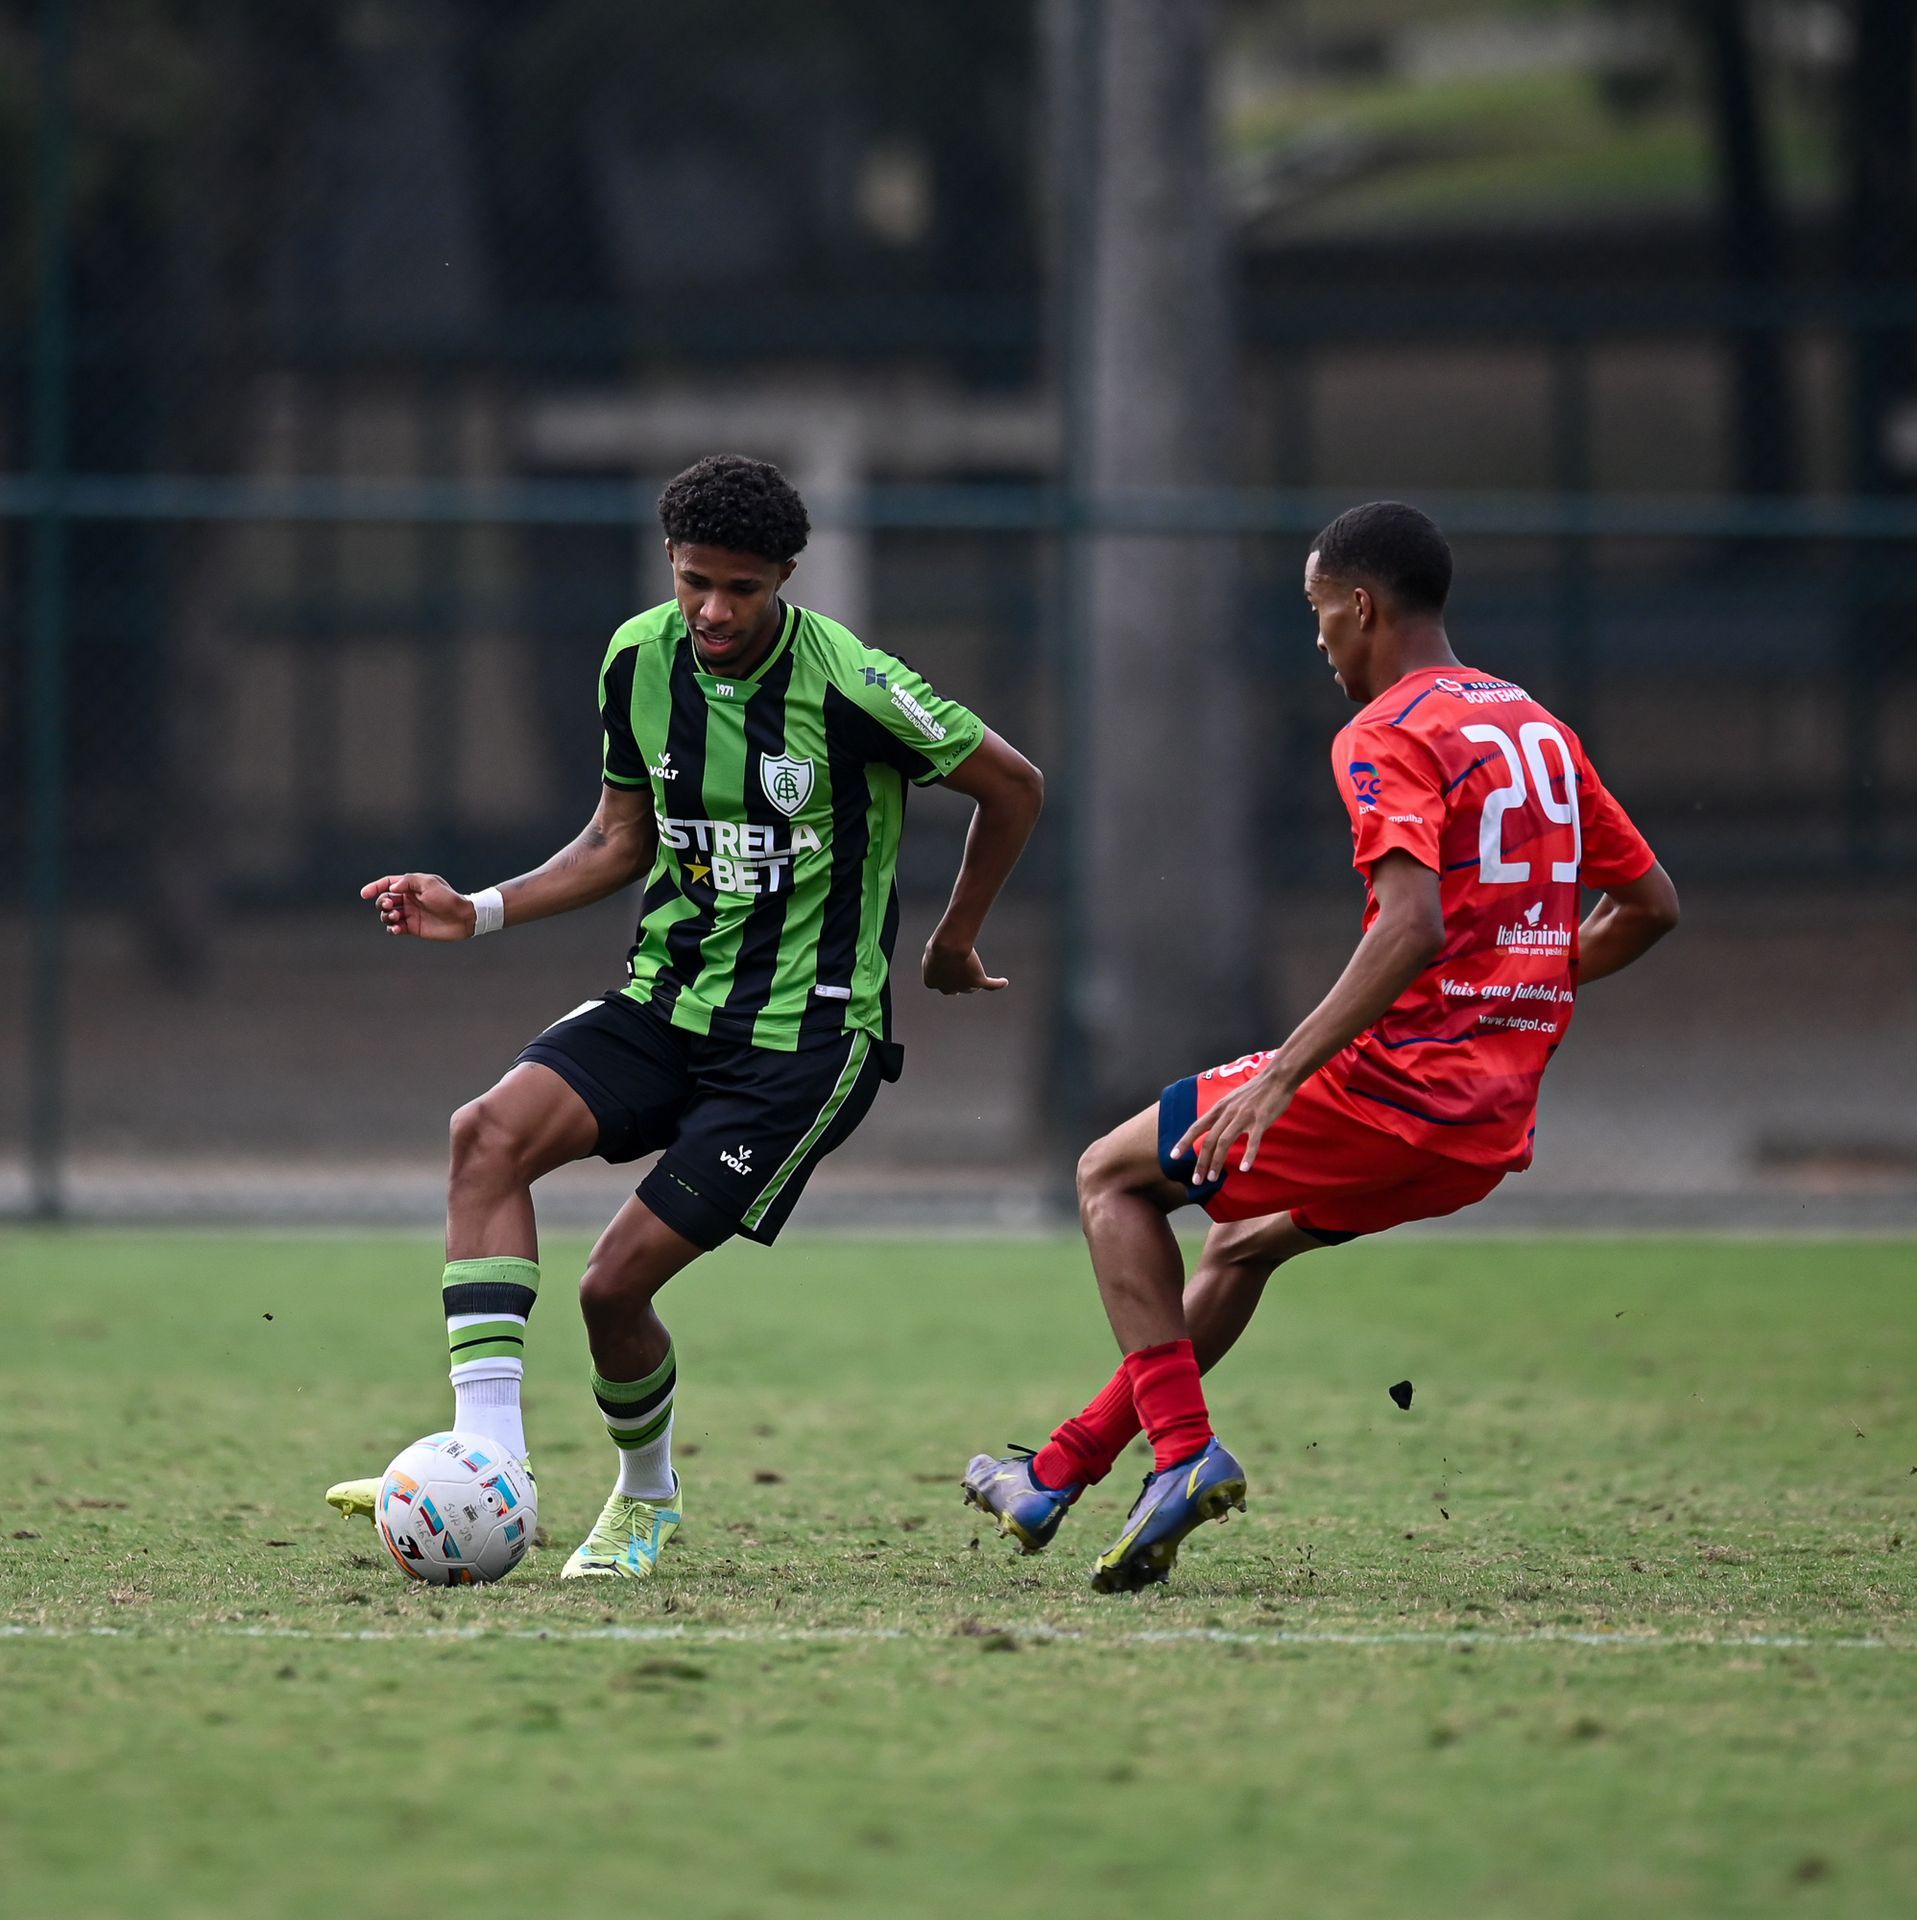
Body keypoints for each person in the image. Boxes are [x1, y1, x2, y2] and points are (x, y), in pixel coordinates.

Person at [327, 453, 1043, 1578]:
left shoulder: (852, 684)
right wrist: (479, 909)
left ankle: (646, 1497)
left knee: (611, 1288)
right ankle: (488, 1462)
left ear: (786, 579)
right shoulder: (636, 659)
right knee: (485, 1137)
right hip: (667, 1001)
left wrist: (952, 940)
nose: (711, 610)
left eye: (741, 590)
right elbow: (621, 838)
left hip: (802, 1046)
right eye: (692, 581)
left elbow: (1014, 785)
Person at [964, 500, 1678, 1593]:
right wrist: (1524, 982)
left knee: (1109, 1175)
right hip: (1486, 1129)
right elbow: (1649, 906)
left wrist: (1286, 1073)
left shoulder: (1388, 729)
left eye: (1317, 616)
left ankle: (1180, 1454)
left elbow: (1410, 926)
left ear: (1360, 606)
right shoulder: (1539, 726)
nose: (1319, 642)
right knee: (1239, 1245)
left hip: (1395, 1088)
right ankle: (1057, 1472)